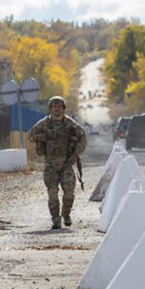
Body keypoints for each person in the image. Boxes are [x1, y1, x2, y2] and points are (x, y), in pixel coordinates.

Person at [27, 96, 87, 230]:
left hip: (66, 164)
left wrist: (76, 154)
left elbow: (83, 137)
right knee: (52, 195)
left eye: (59, 106)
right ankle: (55, 220)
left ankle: (66, 214)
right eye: (54, 106)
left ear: (63, 108)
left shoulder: (70, 124)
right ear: (50, 108)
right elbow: (30, 136)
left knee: (69, 194)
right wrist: (44, 136)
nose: (57, 109)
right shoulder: (44, 124)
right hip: (50, 165)